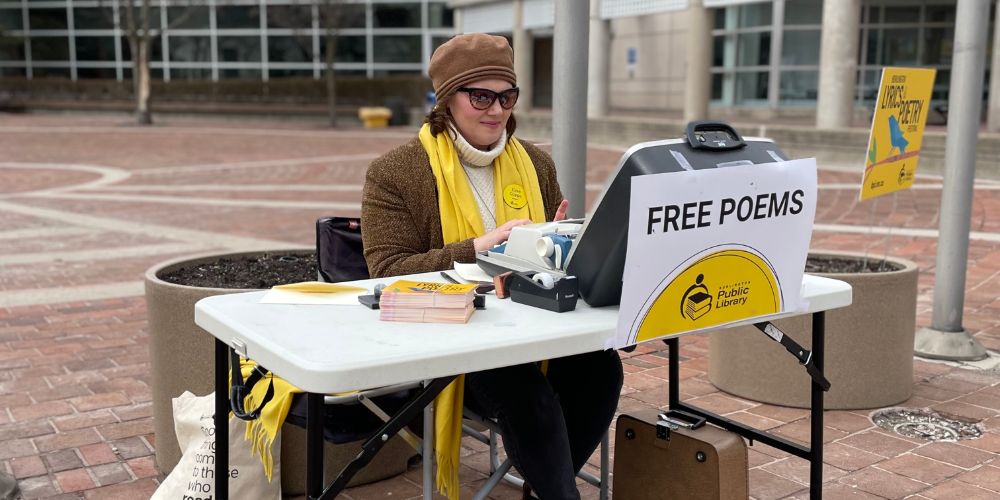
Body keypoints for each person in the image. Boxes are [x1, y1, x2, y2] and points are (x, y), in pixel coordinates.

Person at [361, 33, 623, 500]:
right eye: (480, 95)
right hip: (456, 336)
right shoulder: (396, 171)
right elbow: (385, 270)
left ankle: (546, 488)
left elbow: (545, 266)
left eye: (507, 96)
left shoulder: (537, 165)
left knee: (602, 370)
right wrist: (479, 247)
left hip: (533, 325)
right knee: (526, 394)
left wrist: (559, 245)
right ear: (446, 100)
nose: (496, 110)